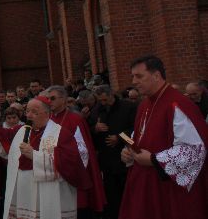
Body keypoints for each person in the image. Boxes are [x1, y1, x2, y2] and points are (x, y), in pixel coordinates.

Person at [0, 98, 90, 219]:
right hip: (23, 194)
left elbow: (71, 166)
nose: (29, 115)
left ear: (47, 113)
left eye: (34, 112)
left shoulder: (61, 134)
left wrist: (35, 156)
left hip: (49, 196)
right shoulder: (21, 131)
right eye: (27, 111)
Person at [119, 56, 208, 219]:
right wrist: (128, 151)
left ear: (156, 75)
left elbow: (193, 150)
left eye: (139, 76)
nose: (134, 81)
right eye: (133, 76)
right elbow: (138, 136)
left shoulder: (177, 103)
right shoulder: (144, 104)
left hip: (167, 188)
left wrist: (154, 159)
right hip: (144, 182)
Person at [45, 86, 106, 217]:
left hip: (73, 173)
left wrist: (70, 171)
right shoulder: (48, 120)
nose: (49, 101)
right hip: (54, 172)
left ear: (63, 99)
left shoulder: (75, 119)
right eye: (48, 99)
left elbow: (83, 151)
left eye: (53, 98)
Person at [92, 85, 136, 219]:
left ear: (112, 95)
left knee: (127, 193)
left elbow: (136, 131)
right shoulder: (98, 109)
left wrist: (119, 137)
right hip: (106, 161)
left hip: (125, 159)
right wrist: (95, 128)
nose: (103, 103)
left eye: (105, 100)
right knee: (111, 196)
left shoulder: (128, 107)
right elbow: (88, 131)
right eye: (100, 100)